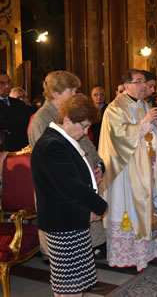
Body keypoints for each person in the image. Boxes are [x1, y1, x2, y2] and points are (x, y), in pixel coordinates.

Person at [31, 94, 108, 296]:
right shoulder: (52, 145)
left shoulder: (61, 140)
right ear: (66, 120)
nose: (85, 132)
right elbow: (70, 187)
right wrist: (99, 207)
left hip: (71, 220)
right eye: (83, 126)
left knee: (75, 283)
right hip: (63, 223)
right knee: (69, 284)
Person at [98, 69, 157, 271]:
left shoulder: (145, 104)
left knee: (153, 207)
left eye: (144, 82)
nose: (143, 85)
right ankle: (130, 257)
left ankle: (151, 253)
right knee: (133, 210)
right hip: (128, 171)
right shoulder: (115, 108)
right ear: (126, 85)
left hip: (150, 168)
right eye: (138, 81)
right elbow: (120, 136)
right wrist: (146, 121)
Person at [0, 71, 34, 151]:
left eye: (8, 82)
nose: (7, 86)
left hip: (20, 150)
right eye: (2, 83)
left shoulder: (19, 104)